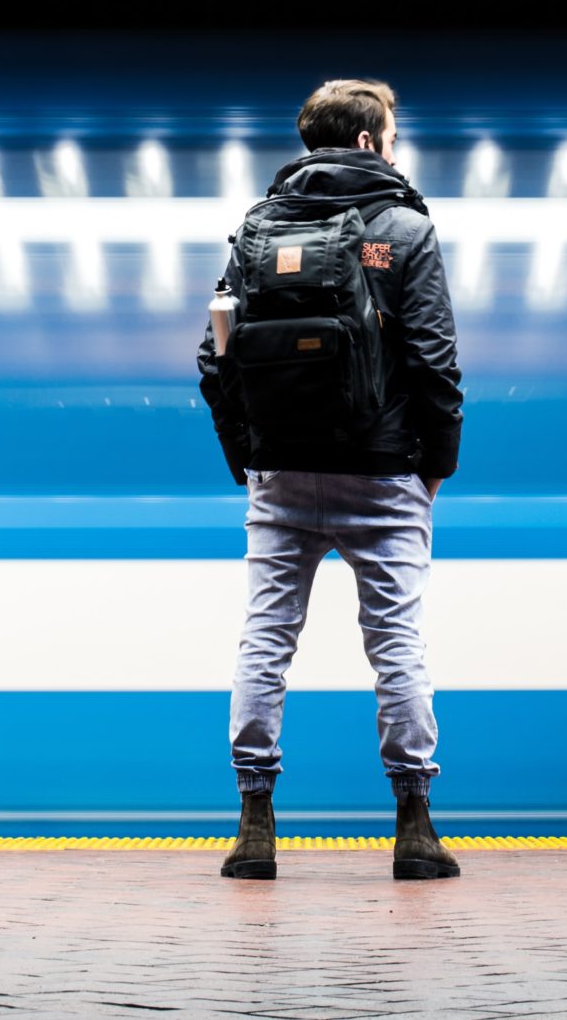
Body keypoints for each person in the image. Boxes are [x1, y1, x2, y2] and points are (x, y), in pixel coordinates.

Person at [196, 77, 465, 883]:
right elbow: (436, 361)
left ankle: (254, 822)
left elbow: (216, 355)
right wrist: (435, 469)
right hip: (384, 474)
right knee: (396, 643)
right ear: (369, 142)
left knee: (266, 637)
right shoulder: (405, 228)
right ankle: (414, 825)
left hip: (280, 473)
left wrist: (246, 454)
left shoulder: (255, 226)